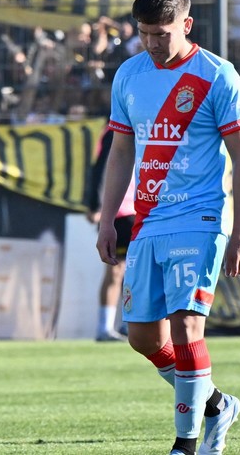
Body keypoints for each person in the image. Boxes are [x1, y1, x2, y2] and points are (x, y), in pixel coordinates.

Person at [95, 0, 240, 455]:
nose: (151, 43)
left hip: (200, 218)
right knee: (143, 337)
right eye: (144, 33)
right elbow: (121, 151)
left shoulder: (218, 75)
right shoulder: (129, 74)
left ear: (186, 24)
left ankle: (186, 443)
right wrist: (107, 219)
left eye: (161, 34)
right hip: (148, 221)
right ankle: (216, 404)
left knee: (186, 327)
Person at [88, 126, 136, 342]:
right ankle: (105, 328)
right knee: (116, 269)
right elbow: (101, 167)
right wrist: (95, 205)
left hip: (141, 208)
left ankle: (129, 323)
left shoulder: (145, 126)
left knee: (139, 271)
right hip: (120, 211)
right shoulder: (115, 130)